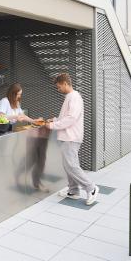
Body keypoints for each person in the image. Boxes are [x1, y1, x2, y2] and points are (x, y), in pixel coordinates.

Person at [37, 73, 99, 205]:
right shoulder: (70, 97)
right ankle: (73, 191)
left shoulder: (74, 97)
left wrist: (52, 125)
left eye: (59, 87)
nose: (58, 89)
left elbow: (71, 118)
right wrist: (54, 120)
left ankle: (91, 188)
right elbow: (65, 117)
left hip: (71, 137)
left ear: (65, 83)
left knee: (71, 166)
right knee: (68, 165)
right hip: (68, 136)